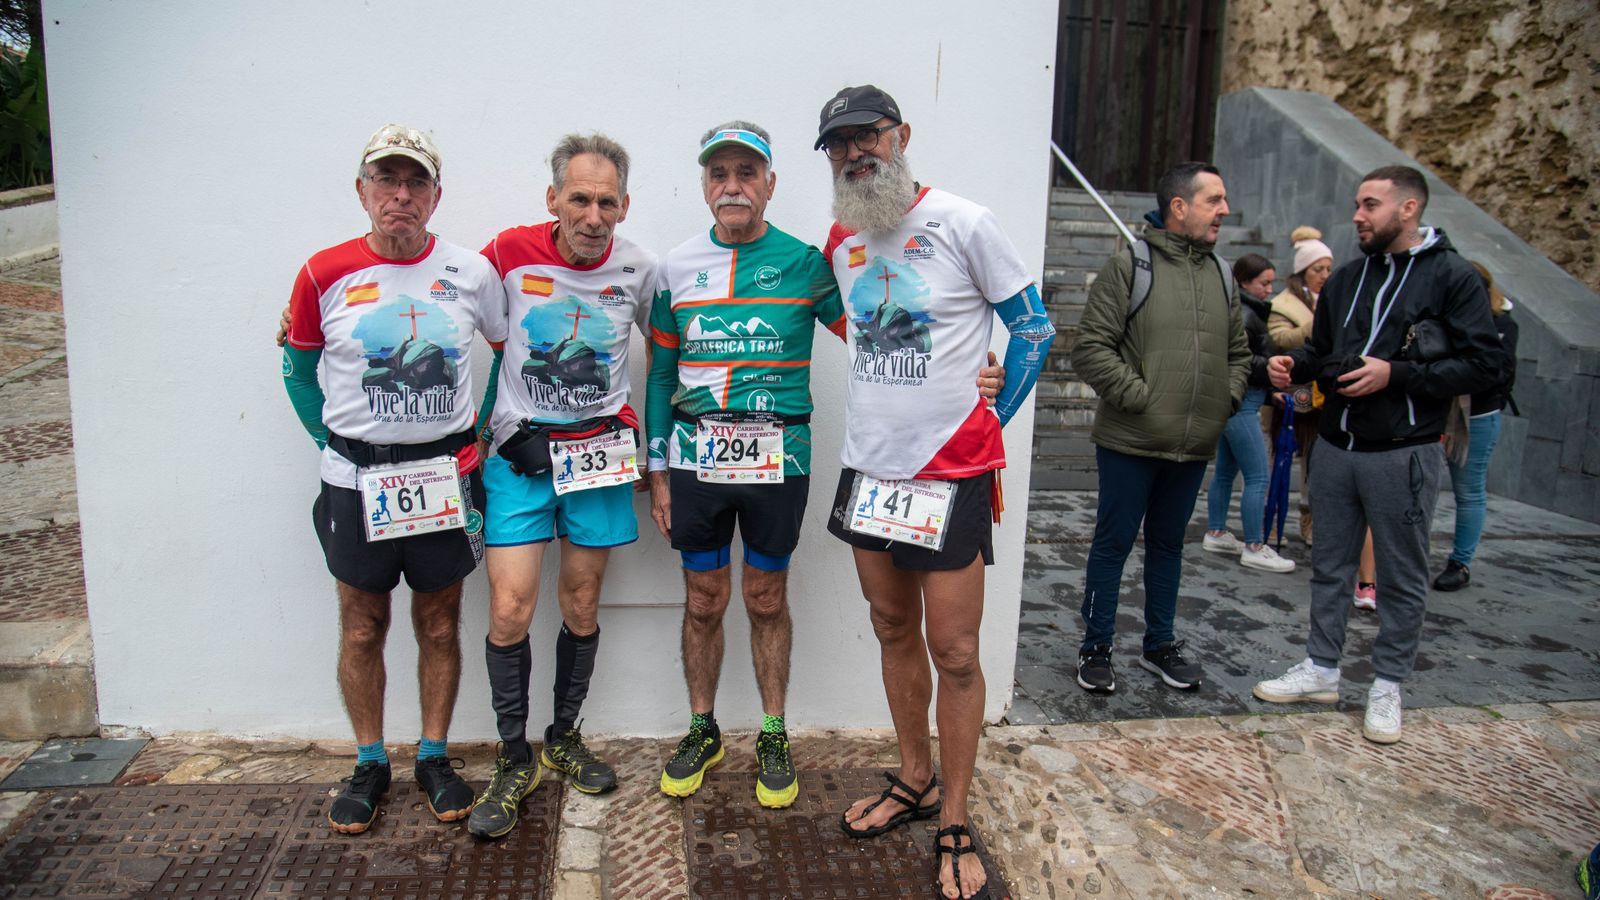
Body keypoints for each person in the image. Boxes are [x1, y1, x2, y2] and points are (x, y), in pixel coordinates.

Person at [816, 85, 1053, 900]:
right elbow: (860, 331)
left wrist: (996, 405)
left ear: (901, 135)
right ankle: (913, 777)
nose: (854, 153)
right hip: (870, 470)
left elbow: (1033, 325)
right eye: (839, 144)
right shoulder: (842, 238)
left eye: (866, 136)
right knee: (890, 627)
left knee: (954, 651)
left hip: (949, 474)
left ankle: (955, 813)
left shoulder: (964, 222)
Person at [280, 124, 492, 833]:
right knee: (363, 624)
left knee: (438, 623)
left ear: (435, 195)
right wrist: (333, 441)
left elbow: (510, 348)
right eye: (386, 181)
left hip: (441, 476)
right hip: (354, 481)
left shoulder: (469, 271)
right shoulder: (322, 272)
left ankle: (433, 755)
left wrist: (480, 433)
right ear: (362, 190)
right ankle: (370, 760)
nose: (400, 196)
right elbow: (296, 366)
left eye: (415, 183)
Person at [1253, 165, 1503, 745]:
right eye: (1357, 205)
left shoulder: (1454, 278)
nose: (1358, 216)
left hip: (1405, 452)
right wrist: (1292, 367)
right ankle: (1321, 668)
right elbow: (1322, 351)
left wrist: (1400, 374)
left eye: (1370, 205)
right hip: (1337, 446)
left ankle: (1388, 683)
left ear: (1408, 208)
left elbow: (1486, 365)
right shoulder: (1347, 279)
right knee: (1331, 565)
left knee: (1401, 574)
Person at [644, 121, 845, 811]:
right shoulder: (675, 266)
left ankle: (772, 730)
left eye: (746, 172)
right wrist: (658, 468)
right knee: (704, 600)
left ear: (769, 184)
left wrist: (967, 362)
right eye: (719, 173)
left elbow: (874, 333)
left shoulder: (807, 264)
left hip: (778, 459)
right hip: (697, 462)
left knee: (765, 599)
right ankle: (703, 728)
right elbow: (662, 369)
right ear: (705, 185)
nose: (732, 184)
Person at [467, 134, 657, 840]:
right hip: (521, 458)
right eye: (579, 199)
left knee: (580, 601)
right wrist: (494, 428)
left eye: (607, 202)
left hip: (598, 459)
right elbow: (454, 321)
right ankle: (513, 758)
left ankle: (564, 737)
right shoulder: (507, 252)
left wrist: (649, 436)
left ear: (624, 205)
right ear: (553, 199)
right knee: (511, 608)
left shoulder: (640, 268)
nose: (593, 215)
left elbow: (673, 346)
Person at [1070, 162, 1249, 695]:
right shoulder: (1131, 266)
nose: (1224, 210)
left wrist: (1225, 398)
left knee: (1169, 546)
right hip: (1131, 440)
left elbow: (1239, 354)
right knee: (1113, 544)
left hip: (1192, 445)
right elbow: (1089, 348)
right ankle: (1096, 647)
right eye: (1214, 200)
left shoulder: (1222, 274)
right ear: (1179, 206)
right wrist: (1141, 399)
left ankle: (1160, 645)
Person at [1203, 253, 1295, 573]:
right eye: (1263, 283)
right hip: (1241, 406)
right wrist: (1270, 374)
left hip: (1238, 404)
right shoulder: (1245, 313)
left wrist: (1271, 391)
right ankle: (1255, 544)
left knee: (1226, 472)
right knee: (1257, 476)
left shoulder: (1244, 311)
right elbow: (1238, 361)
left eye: (1272, 282)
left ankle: (1217, 531)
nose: (1269, 289)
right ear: (1244, 282)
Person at [1433, 260, 1519, 591]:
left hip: (1477, 414)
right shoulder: (1440, 317)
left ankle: (1460, 563)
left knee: (1468, 490)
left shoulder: (1501, 323)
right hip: (1433, 409)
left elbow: (1500, 374)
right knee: (1419, 487)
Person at [1267, 226, 1333, 547]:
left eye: (1328, 269)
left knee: (1315, 466)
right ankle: (1268, 520)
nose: (1324, 274)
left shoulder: (1335, 300)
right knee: (1279, 460)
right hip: (1289, 396)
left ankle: (1310, 522)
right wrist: (1316, 321)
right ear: (1302, 271)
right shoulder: (1282, 304)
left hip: (1322, 397)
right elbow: (1279, 340)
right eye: (1317, 269)